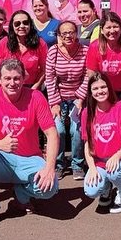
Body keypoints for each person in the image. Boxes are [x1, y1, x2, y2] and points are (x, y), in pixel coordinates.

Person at [0, 59, 61, 231]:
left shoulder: (36, 97)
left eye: (17, 78)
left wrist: (50, 168)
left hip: (29, 159)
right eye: (8, 78)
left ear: (24, 78)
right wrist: (0, 144)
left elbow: (52, 134)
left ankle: (21, 193)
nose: (12, 83)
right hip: (1, 159)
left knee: (51, 188)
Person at [80, 72, 121, 214]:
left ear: (109, 88)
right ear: (90, 92)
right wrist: (92, 168)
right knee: (90, 191)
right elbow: (87, 145)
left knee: (113, 172)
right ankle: (105, 187)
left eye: (103, 87)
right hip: (100, 162)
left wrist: (116, 156)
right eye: (95, 88)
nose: (100, 91)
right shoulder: (87, 113)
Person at [46, 21, 89, 179]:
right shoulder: (53, 52)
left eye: (71, 32)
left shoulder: (85, 50)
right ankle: (58, 164)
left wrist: (80, 97)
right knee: (58, 130)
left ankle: (77, 164)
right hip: (59, 97)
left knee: (76, 130)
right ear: (59, 35)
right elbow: (50, 79)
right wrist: (55, 103)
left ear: (76, 33)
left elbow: (88, 75)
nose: (68, 36)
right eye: (64, 33)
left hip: (78, 97)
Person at [86, 11, 121, 104]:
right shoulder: (94, 46)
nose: (112, 31)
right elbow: (92, 74)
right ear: (102, 30)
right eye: (108, 27)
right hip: (105, 91)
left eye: (115, 27)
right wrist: (104, 95)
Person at [0, 10, 47, 88]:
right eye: (17, 24)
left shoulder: (40, 43)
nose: (22, 26)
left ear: (30, 25)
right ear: (12, 26)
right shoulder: (4, 42)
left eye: (25, 23)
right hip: (9, 87)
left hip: (31, 87)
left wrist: (34, 88)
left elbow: (44, 70)